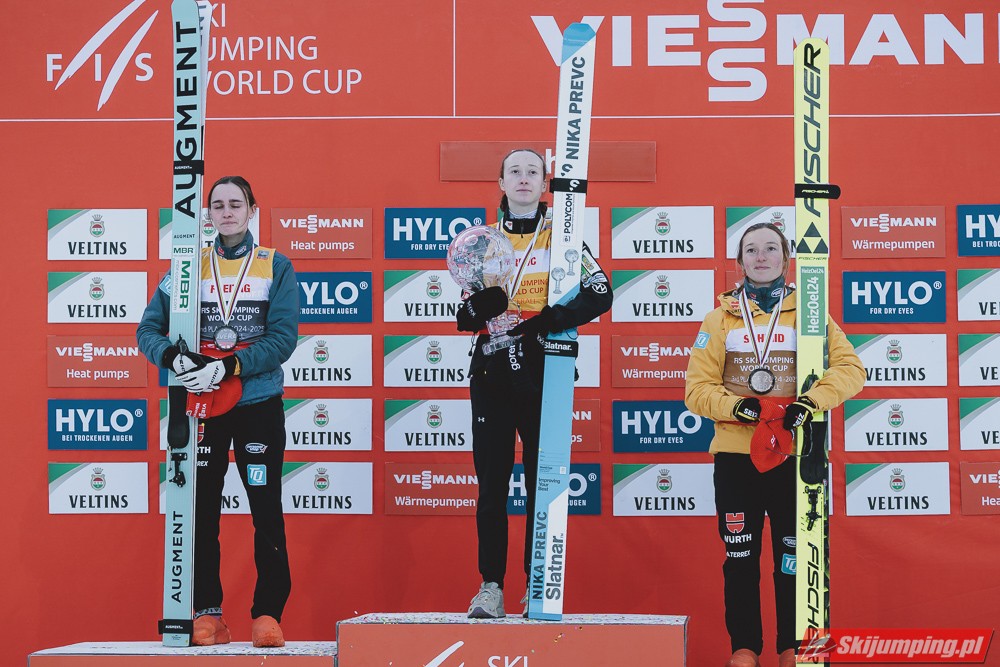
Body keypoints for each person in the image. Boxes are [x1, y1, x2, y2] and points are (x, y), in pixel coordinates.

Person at [684, 223, 864, 667]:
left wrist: (811, 401)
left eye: (770, 249)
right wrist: (736, 407)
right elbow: (696, 390)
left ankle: (792, 648)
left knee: (794, 558)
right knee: (740, 558)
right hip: (736, 458)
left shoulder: (811, 314)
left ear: (786, 258)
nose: (761, 257)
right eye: (751, 250)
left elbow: (851, 369)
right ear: (739, 261)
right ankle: (744, 649)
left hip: (795, 457)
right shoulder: (719, 318)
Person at [137, 176, 299, 647]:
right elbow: (148, 331)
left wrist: (228, 365)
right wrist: (174, 359)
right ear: (207, 214)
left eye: (236, 204)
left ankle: (267, 613)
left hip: (257, 403)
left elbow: (283, 338)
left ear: (252, 209)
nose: (227, 212)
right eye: (218, 205)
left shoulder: (275, 265)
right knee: (200, 511)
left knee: (265, 509)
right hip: (200, 407)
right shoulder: (187, 267)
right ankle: (208, 613)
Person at [455, 149, 613, 618]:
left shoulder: (563, 236)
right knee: (492, 485)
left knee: (545, 482)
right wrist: (477, 310)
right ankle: (490, 587)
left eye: (532, 172)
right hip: (491, 372)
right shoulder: (481, 241)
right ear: (501, 183)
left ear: (545, 184)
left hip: (547, 369)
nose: (523, 179)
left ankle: (539, 584)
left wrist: (549, 320)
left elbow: (601, 292)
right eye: (514, 172)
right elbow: (465, 314)